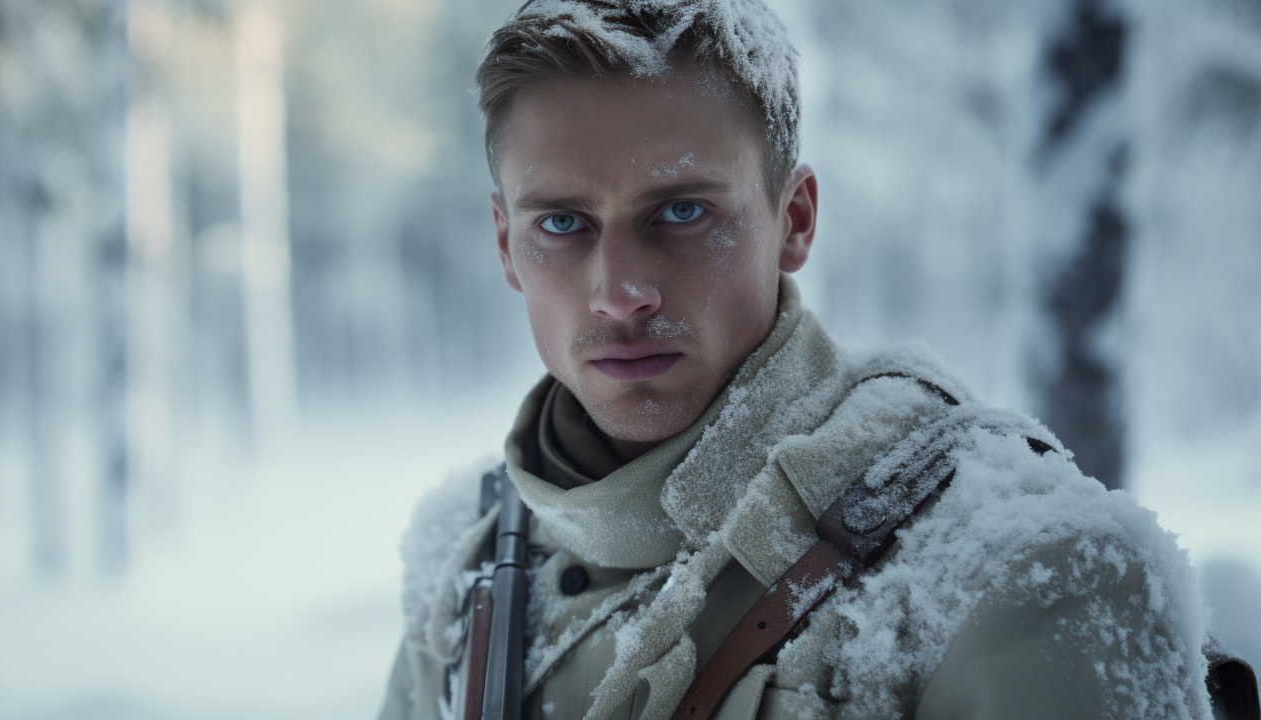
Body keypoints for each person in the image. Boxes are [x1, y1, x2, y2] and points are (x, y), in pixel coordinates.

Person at [377, 1, 1225, 718]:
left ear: (796, 220)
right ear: (504, 243)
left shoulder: (1024, 570)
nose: (621, 291)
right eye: (561, 224)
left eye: (680, 212)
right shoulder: (469, 564)